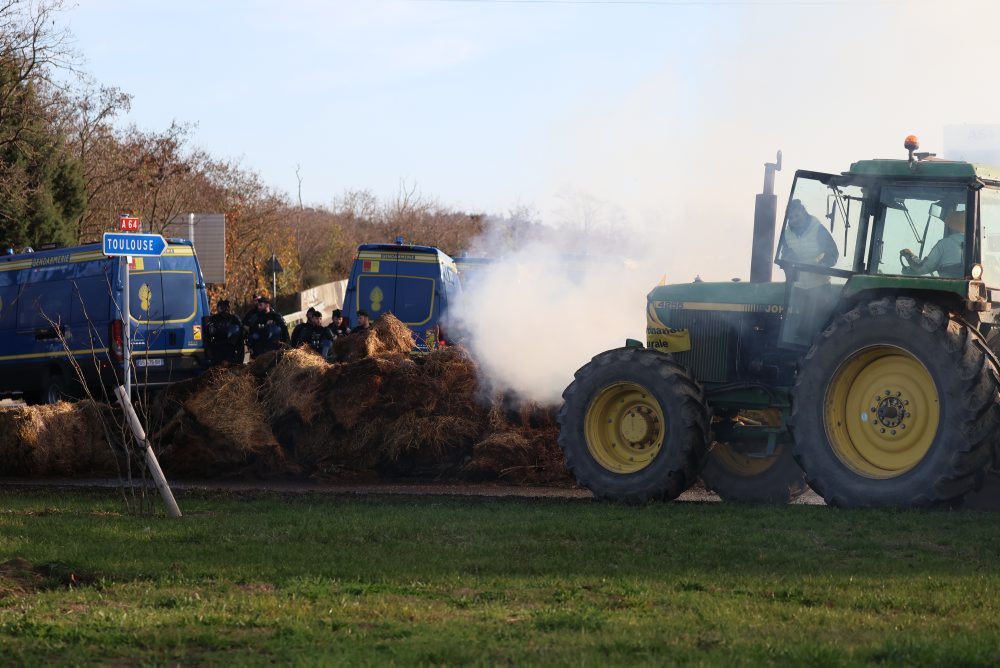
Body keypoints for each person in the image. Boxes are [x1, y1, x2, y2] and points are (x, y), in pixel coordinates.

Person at [781, 199, 839, 278]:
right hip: (796, 285)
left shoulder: (818, 229)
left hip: (820, 284)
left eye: (797, 215)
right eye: (791, 217)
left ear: (804, 214)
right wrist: (788, 258)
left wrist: (824, 265)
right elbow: (784, 255)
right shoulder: (786, 235)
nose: (794, 220)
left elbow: (833, 253)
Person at [901, 208, 965, 277]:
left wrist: (910, 256)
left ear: (951, 227)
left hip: (947, 286)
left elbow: (922, 268)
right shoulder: (975, 245)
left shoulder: (944, 244)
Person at [205, 298, 244, 364]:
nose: (225, 309)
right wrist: (209, 349)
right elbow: (208, 335)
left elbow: (240, 337)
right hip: (218, 348)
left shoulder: (234, 319)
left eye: (226, 307)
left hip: (231, 349)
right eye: (222, 307)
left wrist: (239, 355)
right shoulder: (214, 319)